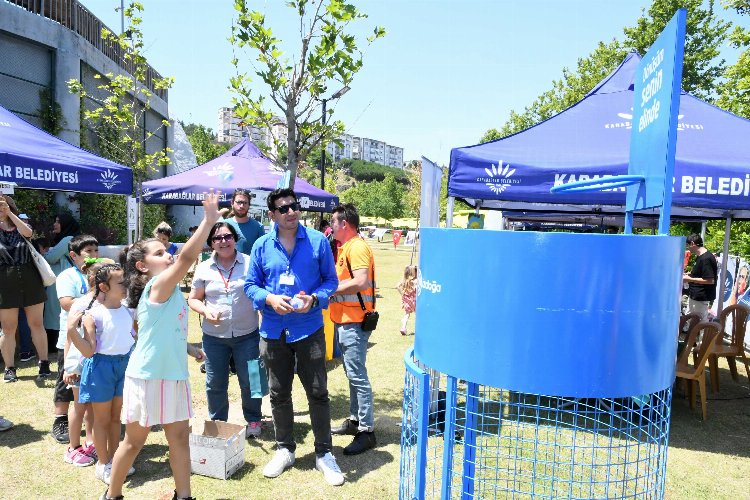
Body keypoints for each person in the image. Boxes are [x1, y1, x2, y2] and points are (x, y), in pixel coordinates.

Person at [102, 192, 218, 500]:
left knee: (179, 438)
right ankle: (112, 494)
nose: (167, 254)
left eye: (166, 250)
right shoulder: (158, 286)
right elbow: (187, 259)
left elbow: (165, 333)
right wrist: (207, 221)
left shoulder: (170, 291)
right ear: (142, 266)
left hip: (174, 373)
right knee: (134, 442)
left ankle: (184, 496)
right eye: (159, 253)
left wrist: (190, 349)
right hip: (149, 377)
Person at [244, 188, 342, 486]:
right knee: (278, 394)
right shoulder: (262, 245)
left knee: (318, 393)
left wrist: (315, 297)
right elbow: (250, 286)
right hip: (273, 331)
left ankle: (324, 453)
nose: (291, 212)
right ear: (272, 214)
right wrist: (269, 299)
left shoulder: (317, 241)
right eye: (283, 209)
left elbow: (331, 280)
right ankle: (285, 448)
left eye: (294, 206)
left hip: (309, 330)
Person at [188, 222, 263, 439]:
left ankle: (254, 419)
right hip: (214, 337)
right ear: (211, 243)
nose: (223, 242)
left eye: (228, 236)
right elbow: (193, 299)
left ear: (235, 238)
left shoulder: (250, 263)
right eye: (217, 238)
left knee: (253, 378)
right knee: (215, 382)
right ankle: (218, 422)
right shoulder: (204, 268)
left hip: (247, 333)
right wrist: (205, 311)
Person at [69, 264, 136, 484]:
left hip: (122, 366)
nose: (126, 286)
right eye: (121, 283)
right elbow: (89, 351)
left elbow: (133, 337)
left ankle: (116, 459)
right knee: (101, 419)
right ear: (104, 287)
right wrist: (71, 330)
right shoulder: (93, 315)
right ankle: (103, 463)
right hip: (100, 368)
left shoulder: (128, 309)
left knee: (116, 417)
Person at [328, 203, 378, 456]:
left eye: (333, 222)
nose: (330, 226)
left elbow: (361, 282)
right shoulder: (347, 247)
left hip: (354, 322)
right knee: (352, 373)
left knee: (357, 376)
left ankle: (366, 431)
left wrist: (329, 289)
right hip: (347, 320)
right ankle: (356, 421)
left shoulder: (356, 247)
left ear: (344, 224)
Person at [62, 259, 114, 467]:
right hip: (79, 365)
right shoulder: (82, 303)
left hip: (98, 365)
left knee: (92, 405)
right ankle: (73, 447)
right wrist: (69, 366)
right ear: (99, 281)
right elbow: (70, 336)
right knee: (80, 405)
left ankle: (91, 440)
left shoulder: (109, 302)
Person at [51, 234, 100, 445]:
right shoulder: (67, 276)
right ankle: (60, 418)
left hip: (92, 341)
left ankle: (88, 423)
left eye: (96, 251)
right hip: (69, 340)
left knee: (86, 384)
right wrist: (95, 297)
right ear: (73, 255)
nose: (94, 256)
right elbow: (66, 302)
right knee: (65, 381)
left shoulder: (100, 275)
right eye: (88, 252)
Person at [0, 195, 50, 383]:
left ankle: (44, 362)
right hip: (4, 280)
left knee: (36, 323)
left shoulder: (18, 225)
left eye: (3, 204)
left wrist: (9, 214)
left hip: (29, 277)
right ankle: (10, 367)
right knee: (8, 327)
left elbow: (28, 233)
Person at [44, 213, 81, 338]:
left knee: (55, 311)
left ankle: (54, 340)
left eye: (58, 222)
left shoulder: (67, 239)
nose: (55, 224)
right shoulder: (75, 239)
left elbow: (50, 258)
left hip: (60, 278)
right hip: (70, 278)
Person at [683, 234, 718, 321]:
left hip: (701, 296)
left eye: (687, 246)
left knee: (700, 321)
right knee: (690, 318)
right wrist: (689, 274)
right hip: (695, 294)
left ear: (692, 243)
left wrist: (689, 279)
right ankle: (692, 333)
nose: (687, 249)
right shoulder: (699, 256)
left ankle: (702, 334)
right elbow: (699, 273)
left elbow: (710, 280)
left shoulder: (706, 258)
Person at [225, 188, 265, 255]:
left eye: (245, 203)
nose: (241, 206)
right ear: (232, 203)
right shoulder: (224, 225)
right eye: (239, 202)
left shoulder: (258, 227)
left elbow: (262, 252)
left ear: (249, 205)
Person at [397, 265, 417, 336]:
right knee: (418, 315)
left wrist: (402, 294)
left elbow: (397, 286)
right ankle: (419, 329)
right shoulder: (415, 281)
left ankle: (403, 327)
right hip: (414, 301)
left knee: (407, 314)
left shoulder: (405, 280)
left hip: (406, 300)